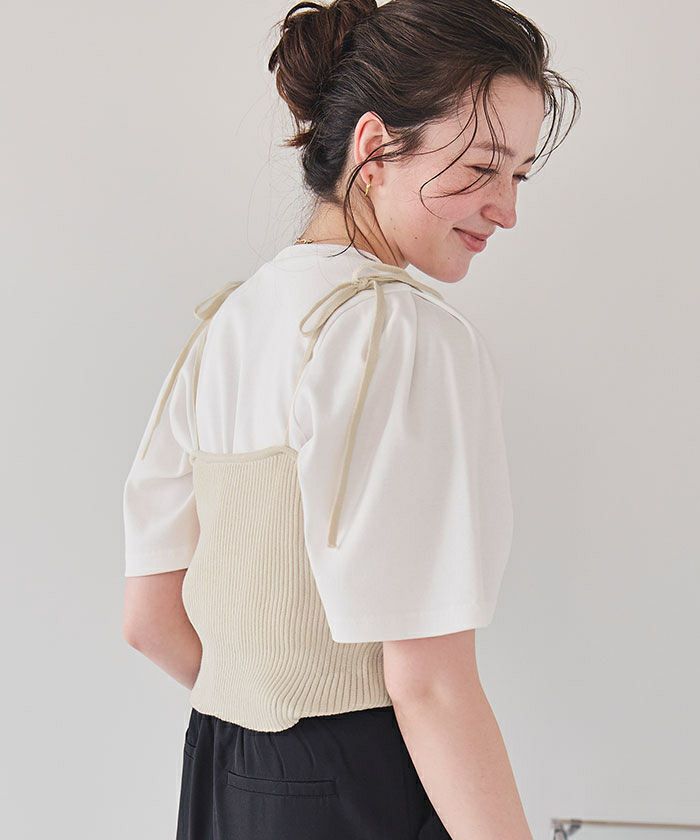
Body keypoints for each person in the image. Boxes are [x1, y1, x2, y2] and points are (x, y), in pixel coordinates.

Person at [122, 1, 581, 837]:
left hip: (223, 776)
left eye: (518, 175)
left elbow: (149, 621)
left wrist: (276, 730)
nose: (506, 208)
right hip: (360, 788)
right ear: (375, 148)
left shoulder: (224, 326)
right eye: (482, 167)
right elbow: (430, 685)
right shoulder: (403, 333)